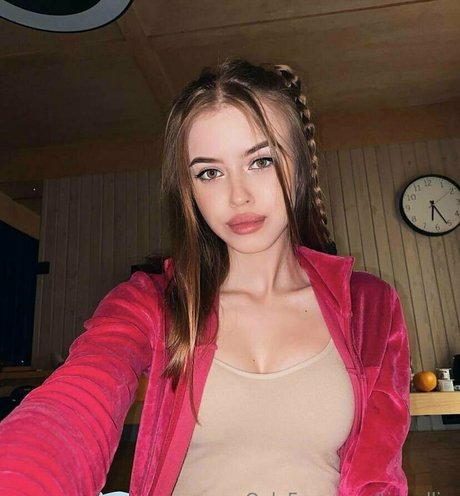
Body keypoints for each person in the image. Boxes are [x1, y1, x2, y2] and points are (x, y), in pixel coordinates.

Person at [0, 58, 411, 496]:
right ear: (189, 190)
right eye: (209, 172)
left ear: (301, 169)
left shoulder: (369, 306)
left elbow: (378, 476)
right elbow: (74, 404)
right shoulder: (152, 302)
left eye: (261, 161)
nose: (238, 195)